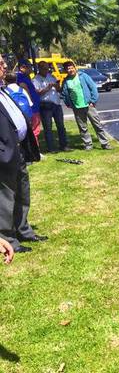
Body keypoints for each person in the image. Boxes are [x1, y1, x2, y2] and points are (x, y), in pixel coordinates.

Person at [0, 54, 44, 254]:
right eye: (0, 63)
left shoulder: (4, 90)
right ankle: (7, 238)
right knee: (5, 197)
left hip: (18, 152)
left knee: (22, 193)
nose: (5, 65)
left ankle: (23, 229)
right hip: (5, 155)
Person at [61, 61, 111, 151]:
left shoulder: (83, 76)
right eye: (67, 68)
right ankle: (88, 144)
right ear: (65, 70)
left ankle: (105, 143)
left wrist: (93, 101)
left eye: (71, 67)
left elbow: (93, 88)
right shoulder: (66, 81)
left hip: (88, 105)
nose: (70, 70)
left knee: (97, 125)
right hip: (77, 107)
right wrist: (68, 103)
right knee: (83, 128)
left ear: (74, 67)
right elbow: (64, 94)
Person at [33, 61, 69, 152]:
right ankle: (51, 148)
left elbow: (59, 89)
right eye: (44, 68)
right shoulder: (35, 80)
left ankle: (64, 145)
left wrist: (56, 86)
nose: (46, 70)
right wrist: (48, 87)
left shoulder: (51, 77)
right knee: (48, 128)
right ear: (39, 68)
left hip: (56, 104)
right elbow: (38, 93)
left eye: (47, 68)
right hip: (45, 105)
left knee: (61, 126)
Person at [16, 60, 41, 144]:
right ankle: (35, 151)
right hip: (31, 108)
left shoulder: (26, 77)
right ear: (23, 67)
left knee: (35, 129)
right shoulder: (20, 77)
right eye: (29, 66)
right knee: (34, 129)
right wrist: (31, 101)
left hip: (34, 107)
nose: (31, 69)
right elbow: (24, 88)